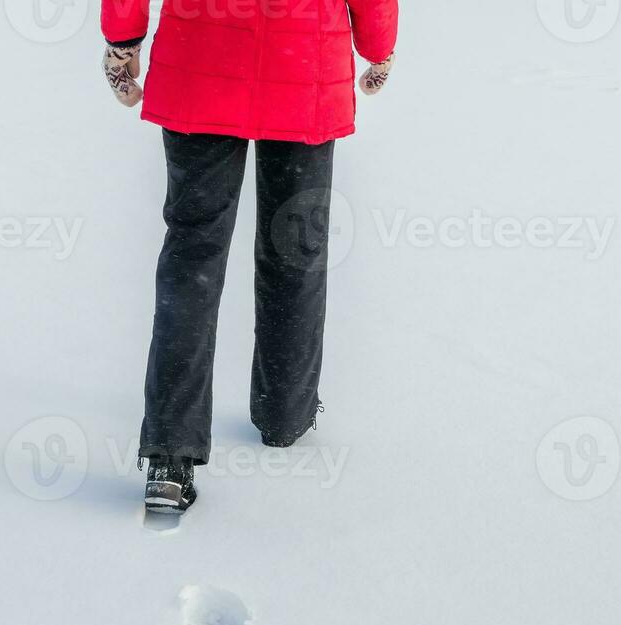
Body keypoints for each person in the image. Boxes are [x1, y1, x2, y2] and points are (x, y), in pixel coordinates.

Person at [100, 0, 399, 513]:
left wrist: (123, 38)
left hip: (202, 60)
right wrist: (377, 47)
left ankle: (170, 456)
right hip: (305, 62)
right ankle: (285, 415)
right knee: (294, 248)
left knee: (192, 254)